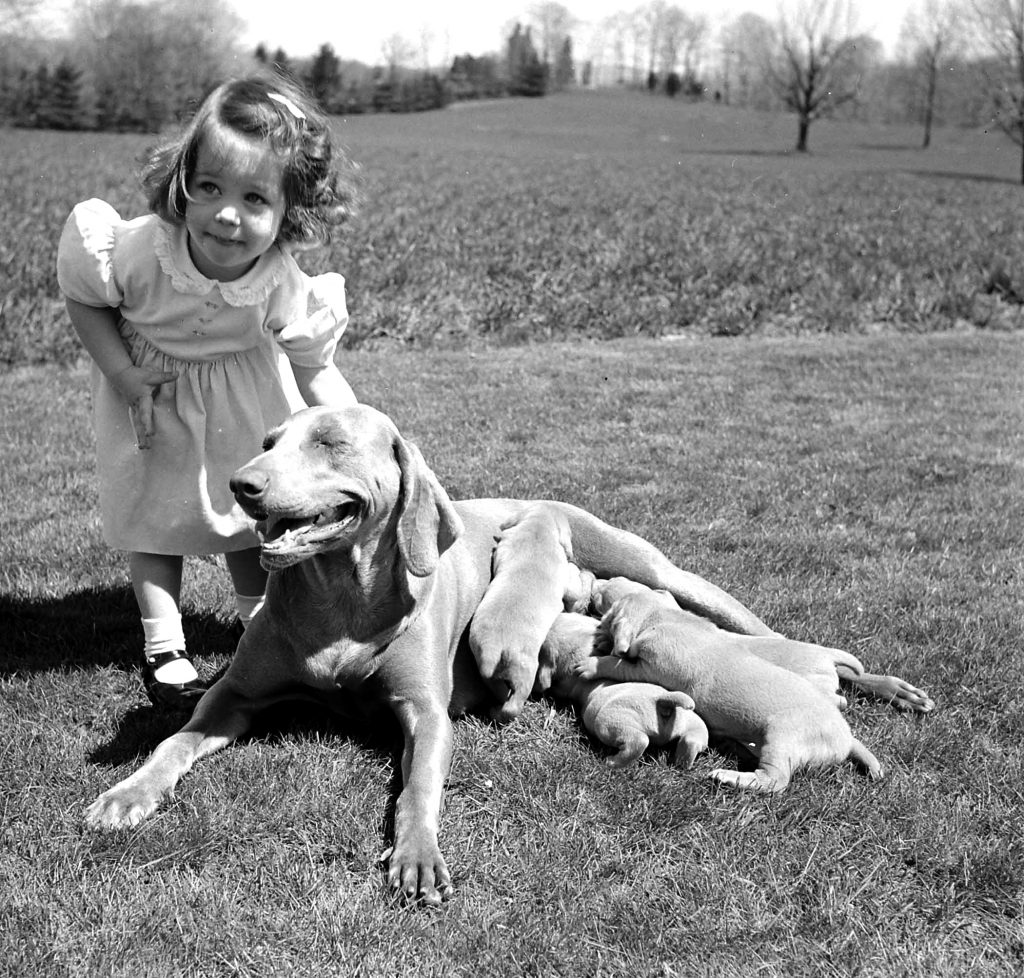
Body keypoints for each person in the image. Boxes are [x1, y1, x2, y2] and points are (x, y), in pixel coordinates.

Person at [57, 74, 358, 710]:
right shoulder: (139, 250)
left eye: (255, 198)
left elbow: (312, 368)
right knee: (153, 510)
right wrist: (123, 374)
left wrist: (354, 430)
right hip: (152, 393)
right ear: (182, 181)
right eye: (211, 188)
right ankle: (164, 642)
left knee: (252, 514)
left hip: (246, 397)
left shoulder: (281, 278)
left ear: (288, 211)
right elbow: (85, 298)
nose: (227, 213)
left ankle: (257, 619)